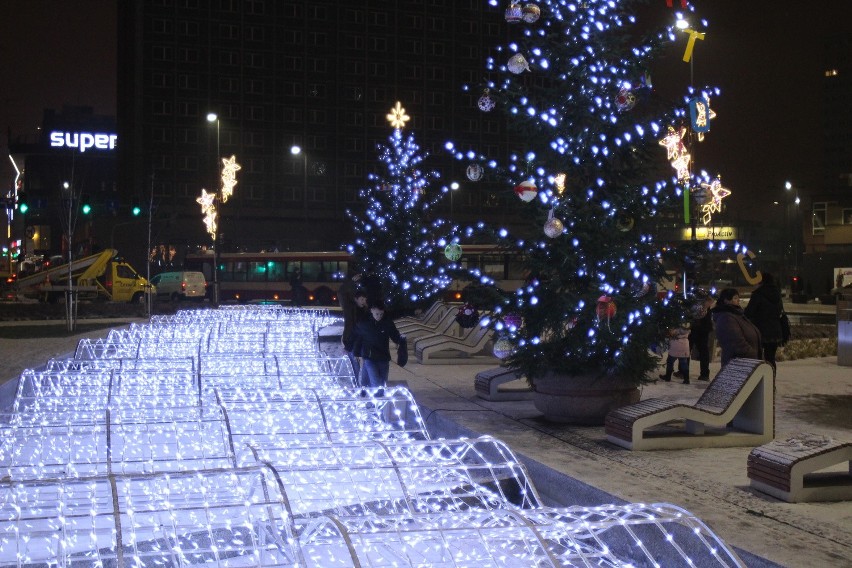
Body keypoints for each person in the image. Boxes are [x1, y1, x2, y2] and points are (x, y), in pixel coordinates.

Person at [352, 301, 403, 396]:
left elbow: (395, 335)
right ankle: (375, 403)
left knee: (382, 382)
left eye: (381, 314)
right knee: (375, 382)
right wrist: (356, 353)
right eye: (377, 314)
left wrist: (400, 341)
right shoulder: (364, 323)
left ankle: (364, 390)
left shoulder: (387, 323)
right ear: (371, 311)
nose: (379, 316)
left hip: (383, 357)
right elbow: (358, 338)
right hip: (369, 357)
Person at [712, 288, 761, 367]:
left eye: (738, 297)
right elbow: (736, 342)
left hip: (746, 361)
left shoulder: (737, 314)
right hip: (738, 364)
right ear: (726, 301)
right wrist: (752, 354)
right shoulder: (727, 318)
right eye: (735, 298)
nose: (738, 300)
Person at [744, 273, 784, 370]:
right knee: (770, 358)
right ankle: (771, 381)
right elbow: (779, 311)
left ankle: (760, 381)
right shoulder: (777, 294)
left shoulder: (758, 294)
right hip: (775, 330)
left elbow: (749, 312)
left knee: (757, 359)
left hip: (759, 330)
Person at [339, 274, 368, 379]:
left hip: (362, 344)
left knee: (364, 367)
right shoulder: (350, 309)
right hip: (351, 343)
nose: (364, 302)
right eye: (362, 299)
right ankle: (356, 386)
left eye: (365, 299)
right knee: (355, 368)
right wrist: (351, 282)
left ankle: (362, 386)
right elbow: (342, 293)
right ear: (356, 299)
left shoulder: (367, 311)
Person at [689, 295, 714, 381]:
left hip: (699, 328)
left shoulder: (697, 299)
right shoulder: (703, 302)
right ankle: (704, 374)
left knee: (692, 349)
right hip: (702, 328)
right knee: (702, 350)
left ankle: (704, 374)